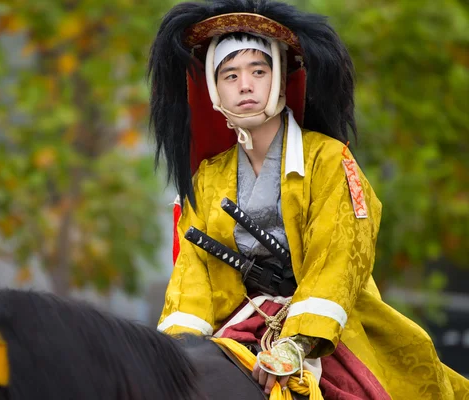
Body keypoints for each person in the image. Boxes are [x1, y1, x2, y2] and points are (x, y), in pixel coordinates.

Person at [147, 0, 469, 398]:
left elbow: (337, 256)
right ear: (215, 91)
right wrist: (178, 348)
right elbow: (194, 276)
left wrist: (297, 343)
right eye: (229, 75)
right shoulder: (209, 177)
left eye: (258, 71)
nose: (244, 85)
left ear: (280, 80)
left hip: (321, 327)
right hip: (239, 323)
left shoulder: (329, 160)